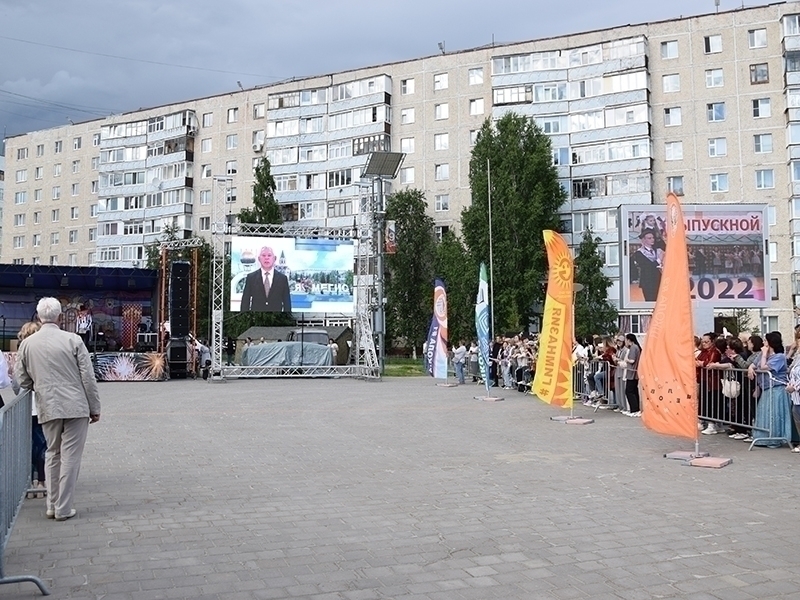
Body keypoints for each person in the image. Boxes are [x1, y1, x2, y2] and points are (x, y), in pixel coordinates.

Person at [14, 297, 101, 521]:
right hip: (76, 406)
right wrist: (95, 407)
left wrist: (40, 385)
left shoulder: (26, 344)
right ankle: (64, 508)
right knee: (71, 457)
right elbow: (88, 378)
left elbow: (22, 380)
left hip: (48, 404)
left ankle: (51, 505)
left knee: (52, 453)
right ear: (60, 317)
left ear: (39, 317)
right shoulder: (73, 340)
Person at [13, 322, 46, 499]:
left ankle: (31, 481)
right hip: (44, 405)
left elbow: (16, 383)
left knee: (30, 444)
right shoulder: (45, 354)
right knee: (43, 444)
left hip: (27, 405)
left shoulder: (21, 355)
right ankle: (41, 480)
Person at [749, 331, 791, 448]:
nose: (763, 343)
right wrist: (750, 369)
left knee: (775, 415)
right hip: (766, 389)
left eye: (766, 341)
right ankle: (763, 438)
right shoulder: (764, 355)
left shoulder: (779, 357)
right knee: (765, 413)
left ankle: (775, 438)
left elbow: (763, 367)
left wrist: (764, 354)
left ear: (771, 343)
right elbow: (753, 364)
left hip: (777, 389)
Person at [239, 246, 292, 312]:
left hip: (277, 319)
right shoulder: (251, 278)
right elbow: (245, 301)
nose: (266, 258)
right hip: (256, 319)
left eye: (269, 255)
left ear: (274, 258)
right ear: (259, 259)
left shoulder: (283, 279)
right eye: (263, 255)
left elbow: (287, 304)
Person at [631, 228, 664, 302]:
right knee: (650, 302)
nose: (652, 240)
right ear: (643, 240)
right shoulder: (639, 253)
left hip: (659, 281)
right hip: (648, 283)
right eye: (649, 238)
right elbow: (648, 266)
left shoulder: (657, 250)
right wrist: (659, 260)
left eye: (653, 238)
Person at [622, 334, 642, 417]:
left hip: (632, 372)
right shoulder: (636, 347)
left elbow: (632, 360)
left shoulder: (633, 347)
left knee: (629, 391)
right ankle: (636, 409)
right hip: (634, 372)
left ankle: (634, 409)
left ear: (629, 340)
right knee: (634, 390)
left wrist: (626, 359)